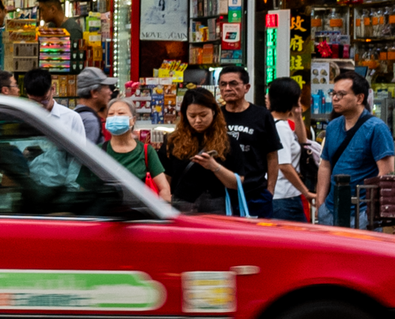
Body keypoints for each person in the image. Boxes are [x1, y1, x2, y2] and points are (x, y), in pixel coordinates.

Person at [315, 68, 395, 230]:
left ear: (359, 98)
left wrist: (371, 213)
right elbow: (325, 165)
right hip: (330, 210)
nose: (335, 99)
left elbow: (386, 174)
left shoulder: (376, 128)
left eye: (341, 94)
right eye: (333, 94)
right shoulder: (332, 127)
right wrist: (320, 203)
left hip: (362, 213)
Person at [159, 87, 245, 215]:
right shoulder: (173, 141)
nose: (198, 120)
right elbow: (165, 176)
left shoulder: (228, 142)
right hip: (181, 204)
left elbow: (237, 183)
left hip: (215, 206)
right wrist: (166, 197)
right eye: (192, 116)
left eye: (203, 115)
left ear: (214, 112)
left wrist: (214, 166)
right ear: (184, 115)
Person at [214, 67, 277, 218]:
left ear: (246, 87)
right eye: (223, 84)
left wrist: (270, 191)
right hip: (222, 194)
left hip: (255, 193)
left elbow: (272, 155)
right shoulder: (215, 117)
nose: (227, 88)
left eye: (233, 83)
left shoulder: (262, 116)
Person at [98, 96, 168, 199]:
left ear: (133, 120)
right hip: (106, 208)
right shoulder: (97, 151)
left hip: (138, 208)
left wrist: (164, 206)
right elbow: (84, 188)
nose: (115, 117)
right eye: (111, 114)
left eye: (121, 113)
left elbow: (164, 188)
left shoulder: (146, 151)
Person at [266, 76, 313, 223]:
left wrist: (297, 116)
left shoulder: (276, 123)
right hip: (284, 197)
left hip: (281, 196)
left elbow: (303, 142)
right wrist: (306, 192)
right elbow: (284, 165)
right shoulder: (281, 127)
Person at [74, 67, 112, 144]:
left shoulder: (76, 114)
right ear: (94, 92)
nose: (110, 92)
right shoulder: (90, 120)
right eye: (107, 87)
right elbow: (87, 151)